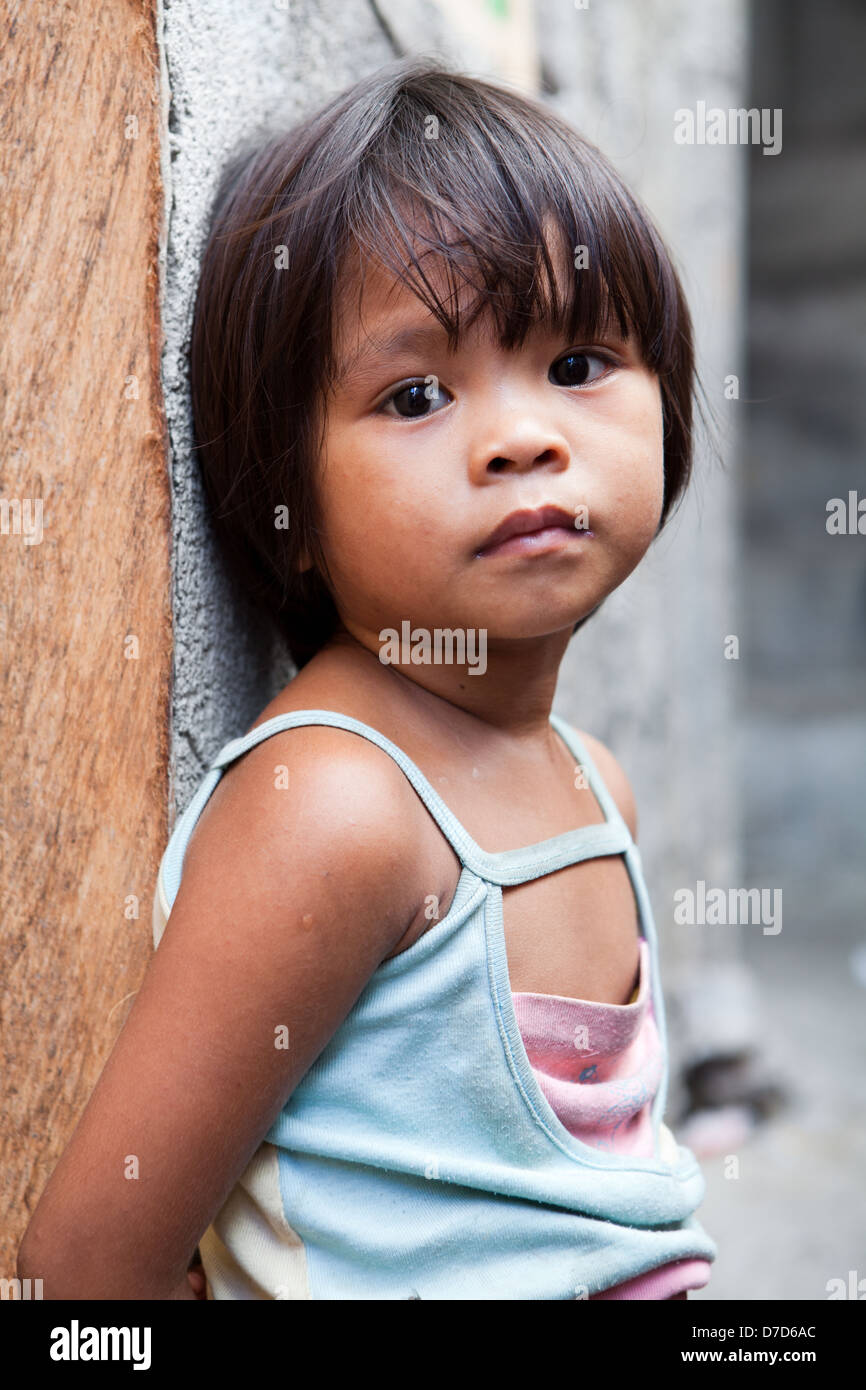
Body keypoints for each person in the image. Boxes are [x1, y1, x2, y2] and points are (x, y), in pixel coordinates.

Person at [17, 56, 717, 1300]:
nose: (522, 436)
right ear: (285, 508)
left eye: (577, 364)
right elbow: (86, 1270)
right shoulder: (338, 812)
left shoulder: (591, 786)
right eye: (414, 394)